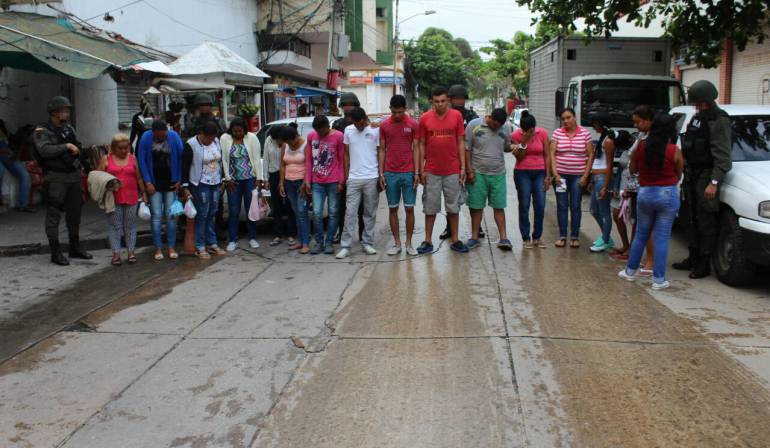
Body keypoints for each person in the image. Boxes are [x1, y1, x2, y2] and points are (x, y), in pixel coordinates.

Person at [672, 80, 732, 279]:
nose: (696, 106)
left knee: (706, 220)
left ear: (706, 101)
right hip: (692, 174)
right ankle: (694, 256)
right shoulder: (699, 118)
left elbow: (723, 158)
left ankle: (705, 263)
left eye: (698, 103)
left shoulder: (719, 121)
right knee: (691, 218)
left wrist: (713, 182)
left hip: (706, 175)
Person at [619, 113, 684, 290]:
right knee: (662, 237)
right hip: (667, 194)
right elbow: (679, 173)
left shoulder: (641, 146)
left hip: (645, 193)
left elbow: (632, 169)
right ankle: (658, 279)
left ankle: (630, 271)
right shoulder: (673, 150)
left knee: (641, 233)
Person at [33, 96, 92, 265]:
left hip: (73, 175)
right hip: (56, 177)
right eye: (64, 110)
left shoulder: (68, 128)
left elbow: (78, 146)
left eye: (67, 110)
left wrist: (85, 165)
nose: (67, 113)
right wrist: (66, 146)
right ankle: (56, 252)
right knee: (54, 215)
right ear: (54, 112)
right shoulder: (42, 131)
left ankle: (75, 247)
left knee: (75, 212)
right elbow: (44, 150)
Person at [416, 86, 468, 254]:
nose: (440, 104)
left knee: (453, 207)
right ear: (432, 101)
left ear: (448, 101)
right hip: (431, 170)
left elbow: (461, 141)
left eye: (443, 101)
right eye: (436, 101)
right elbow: (421, 144)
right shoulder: (424, 118)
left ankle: (455, 239)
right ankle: (427, 240)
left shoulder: (457, 116)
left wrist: (463, 167)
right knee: (430, 207)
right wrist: (422, 169)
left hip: (452, 169)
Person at [464, 108, 513, 251]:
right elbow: (467, 149)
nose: (497, 128)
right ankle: (474, 238)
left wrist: (515, 147)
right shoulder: (474, 125)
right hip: (478, 173)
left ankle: (503, 238)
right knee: (476, 206)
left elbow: (506, 147)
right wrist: (469, 171)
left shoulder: (504, 128)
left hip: (498, 174)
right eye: (495, 125)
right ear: (490, 118)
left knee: (499, 206)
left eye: (500, 126)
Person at [336, 108, 380, 259]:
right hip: (354, 178)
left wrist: (380, 174)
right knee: (350, 213)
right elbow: (346, 153)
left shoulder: (375, 130)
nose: (358, 127)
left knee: (369, 213)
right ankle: (346, 245)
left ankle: (367, 242)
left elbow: (381, 151)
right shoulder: (348, 130)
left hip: (371, 176)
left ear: (365, 119)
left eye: (360, 124)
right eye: (355, 124)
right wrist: (347, 175)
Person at [137, 119, 184, 261]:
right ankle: (158, 248)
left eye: (163, 135)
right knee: (156, 216)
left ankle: (171, 246)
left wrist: (179, 180)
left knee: (170, 216)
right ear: (153, 132)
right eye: (158, 135)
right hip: (154, 182)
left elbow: (181, 158)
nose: (161, 137)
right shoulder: (146, 138)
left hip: (171, 181)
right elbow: (142, 160)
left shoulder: (174, 136)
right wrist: (147, 182)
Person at [97, 134, 147, 265]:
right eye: (121, 148)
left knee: (130, 226)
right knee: (115, 226)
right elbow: (97, 177)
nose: (124, 150)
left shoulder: (133, 158)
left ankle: (131, 252)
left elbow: (139, 178)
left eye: (127, 147)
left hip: (132, 197)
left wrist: (144, 193)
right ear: (114, 148)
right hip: (113, 198)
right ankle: (116, 254)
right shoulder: (106, 159)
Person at [379, 94, 420, 256]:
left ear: (405, 110)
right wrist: (381, 173)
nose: (397, 115)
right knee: (393, 209)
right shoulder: (384, 126)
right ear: (390, 109)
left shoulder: (413, 124)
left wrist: (417, 172)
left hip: (409, 172)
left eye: (400, 112)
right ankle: (397, 243)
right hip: (390, 172)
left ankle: (409, 243)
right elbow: (382, 149)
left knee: (410, 209)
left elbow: (416, 148)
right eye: (394, 112)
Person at [441, 84, 482, 241]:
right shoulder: (445, 115)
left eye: (461, 98)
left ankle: (477, 228)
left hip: (470, 160)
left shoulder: (472, 116)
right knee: (451, 197)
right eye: (456, 98)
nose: (459, 101)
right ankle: (449, 227)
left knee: (474, 196)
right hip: (451, 159)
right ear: (450, 99)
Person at [550, 107, 594, 248]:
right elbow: (552, 154)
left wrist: (585, 176)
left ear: (574, 117)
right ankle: (562, 236)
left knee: (575, 205)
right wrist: (555, 174)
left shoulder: (585, 134)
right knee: (562, 206)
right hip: (561, 176)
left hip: (577, 176)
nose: (566, 121)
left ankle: (575, 237)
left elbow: (590, 154)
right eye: (563, 119)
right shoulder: (557, 133)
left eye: (568, 117)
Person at [182, 122, 225, 259]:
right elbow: (185, 166)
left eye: (213, 138)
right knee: (203, 213)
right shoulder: (191, 144)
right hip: (200, 183)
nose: (211, 141)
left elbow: (220, 161)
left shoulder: (216, 141)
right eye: (209, 138)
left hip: (215, 181)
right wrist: (185, 187)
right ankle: (200, 245)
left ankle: (212, 242)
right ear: (202, 134)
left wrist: (223, 179)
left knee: (213, 212)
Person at [221, 117, 264, 252]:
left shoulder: (252, 138)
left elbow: (256, 158)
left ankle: (252, 237)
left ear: (244, 130)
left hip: (250, 178)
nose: (237, 134)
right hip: (233, 180)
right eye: (235, 131)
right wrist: (227, 179)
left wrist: (259, 177)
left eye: (240, 131)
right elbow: (224, 160)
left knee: (250, 208)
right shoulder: (224, 139)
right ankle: (233, 239)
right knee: (233, 210)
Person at [304, 115, 345, 254]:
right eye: (318, 131)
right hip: (317, 182)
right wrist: (307, 180)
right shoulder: (311, 137)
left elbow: (341, 159)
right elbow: (309, 160)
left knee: (333, 213)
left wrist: (341, 180)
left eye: (323, 131)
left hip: (333, 181)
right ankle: (319, 242)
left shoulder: (339, 136)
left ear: (328, 126)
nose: (321, 134)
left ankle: (329, 242)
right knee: (316, 213)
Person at [511, 110, 550, 248]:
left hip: (540, 172)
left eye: (531, 130)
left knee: (540, 204)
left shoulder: (542, 133)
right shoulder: (516, 135)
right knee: (524, 204)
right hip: (522, 172)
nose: (528, 132)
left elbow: (547, 155)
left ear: (534, 128)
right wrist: (524, 140)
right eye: (525, 130)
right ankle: (525, 237)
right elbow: (519, 157)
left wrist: (548, 175)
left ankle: (537, 237)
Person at [278, 125, 311, 254]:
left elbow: (309, 165)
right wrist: (281, 183)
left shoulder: (305, 145)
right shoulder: (285, 146)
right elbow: (282, 164)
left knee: (302, 212)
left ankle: (306, 243)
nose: (291, 144)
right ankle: (301, 240)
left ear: (296, 136)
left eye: (292, 141)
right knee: (296, 212)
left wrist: (305, 182)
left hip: (301, 184)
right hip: (289, 183)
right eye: (287, 142)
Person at [588, 111, 617, 253]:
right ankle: (606, 236)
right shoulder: (602, 139)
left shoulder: (609, 141)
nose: (594, 127)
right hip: (597, 179)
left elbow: (610, 165)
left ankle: (605, 240)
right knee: (593, 210)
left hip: (603, 179)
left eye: (595, 124)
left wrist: (605, 185)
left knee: (604, 211)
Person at [264, 125, 297, 247]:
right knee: (276, 206)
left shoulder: (288, 142)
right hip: (273, 175)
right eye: (275, 139)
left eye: (278, 139)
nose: (277, 141)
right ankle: (278, 234)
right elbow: (266, 159)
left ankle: (291, 234)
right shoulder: (268, 140)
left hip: (288, 175)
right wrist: (265, 178)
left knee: (289, 205)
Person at [607, 129, 638, 260]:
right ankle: (625, 245)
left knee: (633, 218)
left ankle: (632, 248)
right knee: (617, 215)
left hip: (633, 187)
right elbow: (619, 168)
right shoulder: (625, 149)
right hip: (621, 186)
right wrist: (615, 186)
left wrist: (630, 190)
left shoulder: (638, 147)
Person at [0, 120, 34, 212]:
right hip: (3, 156)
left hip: (8, 157)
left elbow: (13, 141)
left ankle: (23, 204)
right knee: (0, 171)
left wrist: (15, 153)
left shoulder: (3, 127)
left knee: (25, 175)